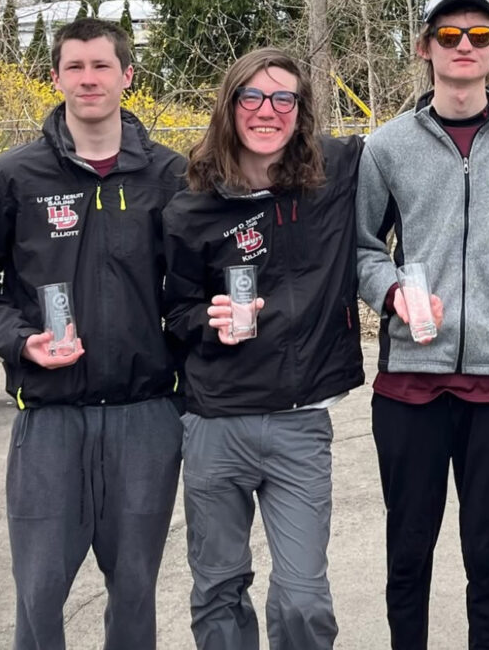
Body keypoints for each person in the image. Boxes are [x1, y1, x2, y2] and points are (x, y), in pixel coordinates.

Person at [0, 18, 185, 650]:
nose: (89, 79)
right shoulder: (12, 177)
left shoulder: (170, 176)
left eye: (102, 66)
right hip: (50, 417)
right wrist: (19, 339)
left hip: (145, 415)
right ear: (55, 78)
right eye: (75, 67)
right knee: (39, 591)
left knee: (135, 590)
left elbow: (193, 289)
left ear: (127, 76)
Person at [355, 0, 489, 649]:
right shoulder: (386, 146)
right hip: (410, 382)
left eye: (479, 34)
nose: (464, 45)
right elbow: (361, 247)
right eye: (448, 35)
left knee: (488, 559)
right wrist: (391, 293)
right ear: (424, 48)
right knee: (408, 554)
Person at [161, 48, 365, 650]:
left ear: (301, 111)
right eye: (251, 96)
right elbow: (174, 311)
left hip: (299, 423)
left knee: (304, 598)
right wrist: (209, 320)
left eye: (283, 98)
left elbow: (423, 131)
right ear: (230, 107)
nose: (267, 110)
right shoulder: (191, 205)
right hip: (215, 421)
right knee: (218, 588)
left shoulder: (336, 173)